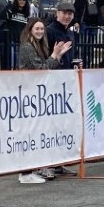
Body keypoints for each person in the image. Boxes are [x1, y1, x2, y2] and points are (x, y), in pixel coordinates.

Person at [15, 17, 73, 185]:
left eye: (42, 29)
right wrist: (55, 56)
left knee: (39, 131)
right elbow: (40, 69)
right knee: (29, 132)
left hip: (38, 93)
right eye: (37, 29)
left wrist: (57, 56)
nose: (40, 31)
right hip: (28, 92)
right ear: (30, 30)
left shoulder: (40, 46)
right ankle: (25, 173)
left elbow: (47, 67)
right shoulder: (27, 47)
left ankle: (37, 167)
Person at [73, 0, 104, 64]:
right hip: (84, 22)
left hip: (94, 23)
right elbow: (76, 8)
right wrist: (76, 21)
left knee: (91, 45)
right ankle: (83, 63)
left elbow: (103, 2)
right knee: (84, 45)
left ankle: (89, 63)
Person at [45, 0, 80, 70]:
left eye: (70, 14)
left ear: (73, 16)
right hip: (53, 75)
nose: (67, 16)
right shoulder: (48, 31)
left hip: (68, 75)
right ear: (57, 13)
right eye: (64, 13)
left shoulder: (70, 32)